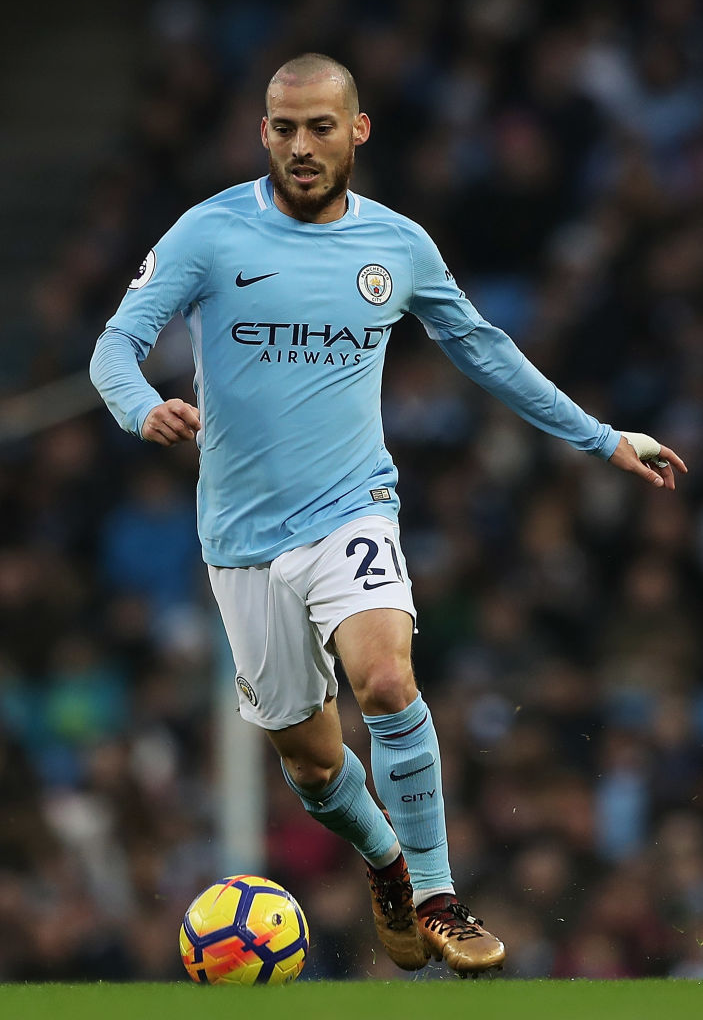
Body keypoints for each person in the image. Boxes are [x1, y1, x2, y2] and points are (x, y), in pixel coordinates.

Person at [90, 53, 687, 977]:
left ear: (357, 131)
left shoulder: (397, 246)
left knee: (385, 682)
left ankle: (439, 897)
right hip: (242, 539)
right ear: (263, 132)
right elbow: (115, 345)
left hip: (352, 508)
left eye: (320, 127)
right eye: (284, 128)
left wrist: (601, 438)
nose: (301, 145)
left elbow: (482, 348)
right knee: (314, 766)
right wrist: (141, 408)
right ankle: (386, 861)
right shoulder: (209, 233)